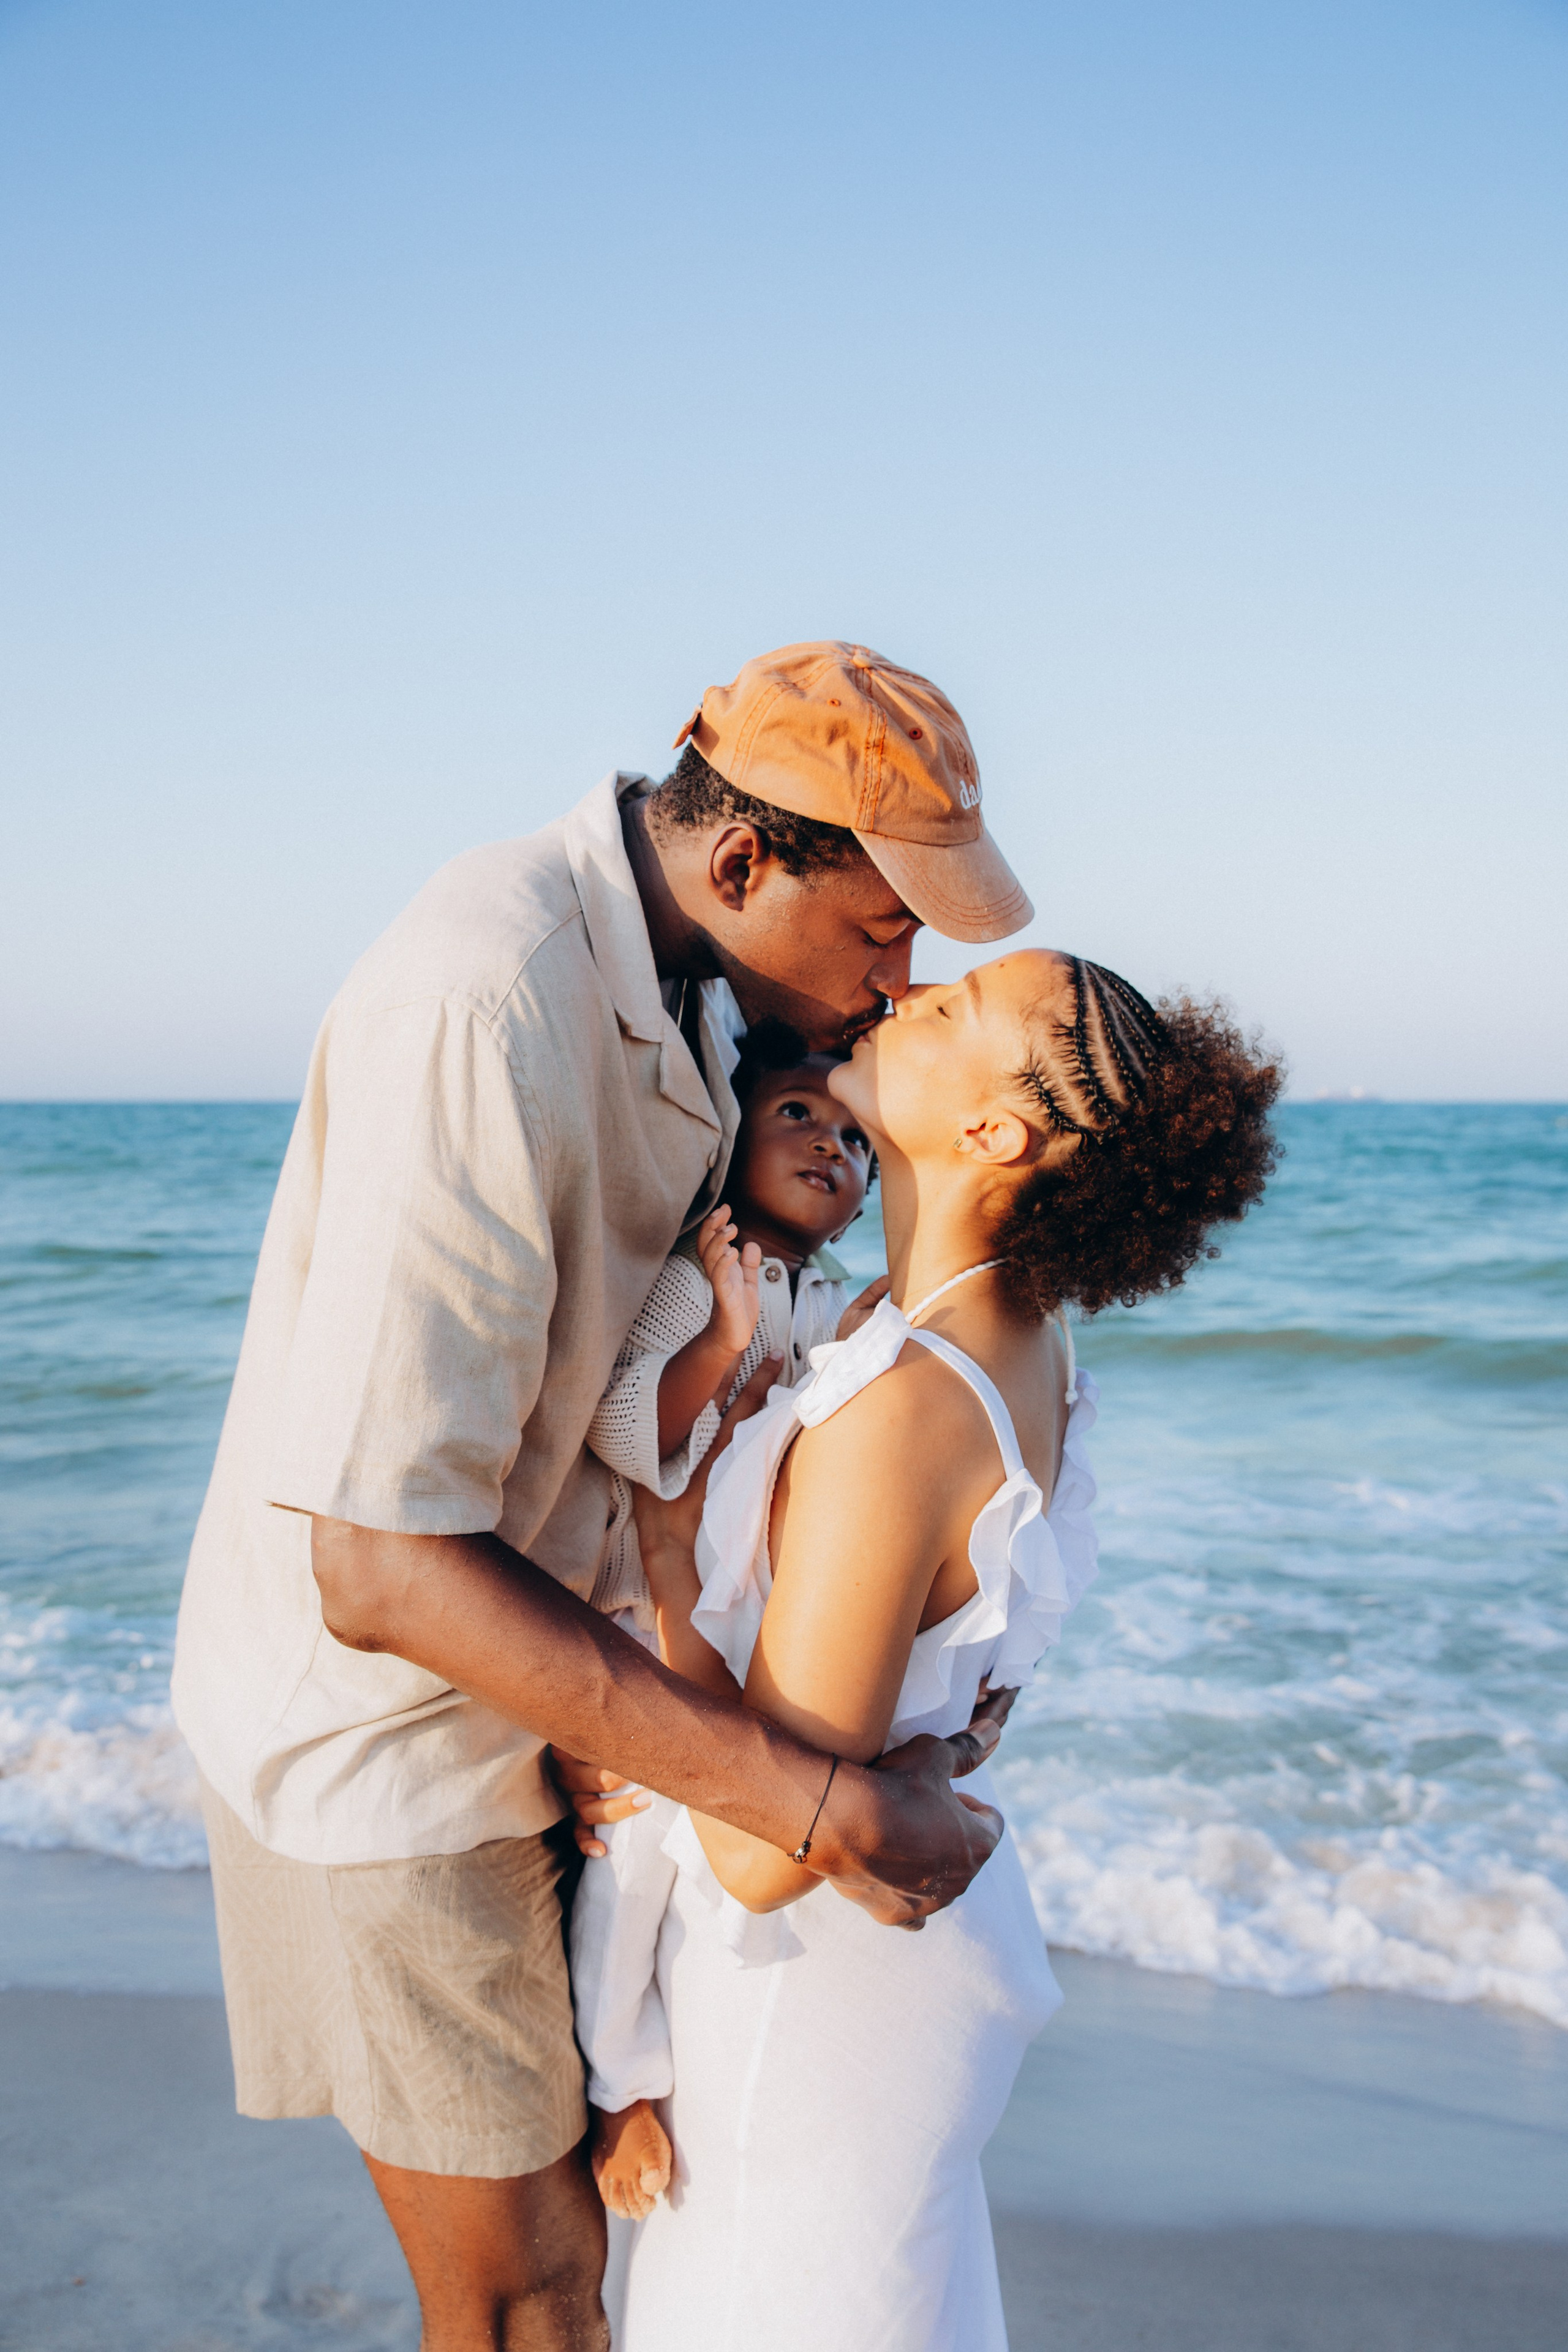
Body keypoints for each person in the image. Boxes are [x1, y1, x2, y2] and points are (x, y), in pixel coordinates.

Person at [170, 642, 1035, 2352]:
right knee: (531, 2303)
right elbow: (379, 1561)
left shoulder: (707, 988)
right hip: (397, 1747)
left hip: (553, 1707)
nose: (904, 973)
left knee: (602, 2266)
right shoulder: (487, 998)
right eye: (881, 927)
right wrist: (813, 1804)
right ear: (741, 864)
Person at [566, 950, 1280, 2349]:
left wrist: (656, 1592)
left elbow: (760, 1856)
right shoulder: (1003, 1340)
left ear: (993, 1132)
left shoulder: (904, 1404)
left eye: (950, 1011)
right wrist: (936, 1746)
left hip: (813, 2004)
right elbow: (973, 1670)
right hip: (902, 1963)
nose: (908, 998)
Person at [585, 1028, 875, 1634]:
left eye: (857, 1140)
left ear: (852, 1221)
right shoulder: (693, 1277)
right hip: (647, 1618)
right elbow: (616, 1431)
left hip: (758, 1613)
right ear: (729, 1146)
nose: (829, 1143)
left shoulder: (837, 1304)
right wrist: (720, 1342)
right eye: (797, 1112)